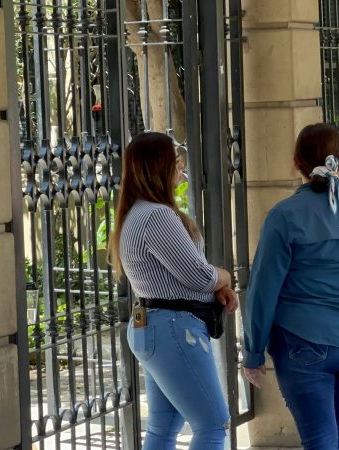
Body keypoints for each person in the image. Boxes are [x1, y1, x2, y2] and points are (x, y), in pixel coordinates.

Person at [243, 123, 339, 450]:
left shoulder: (284, 216)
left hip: (304, 341)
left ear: (297, 163)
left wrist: (254, 350)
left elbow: (262, 289)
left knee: (321, 439)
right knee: (338, 435)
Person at [109, 132, 239, 450]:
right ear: (160, 167)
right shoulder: (157, 215)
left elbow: (181, 276)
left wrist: (214, 289)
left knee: (164, 427)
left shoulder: (136, 213)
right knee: (213, 424)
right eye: (176, 163)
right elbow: (198, 276)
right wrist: (222, 277)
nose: (181, 170)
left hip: (155, 325)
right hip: (173, 327)